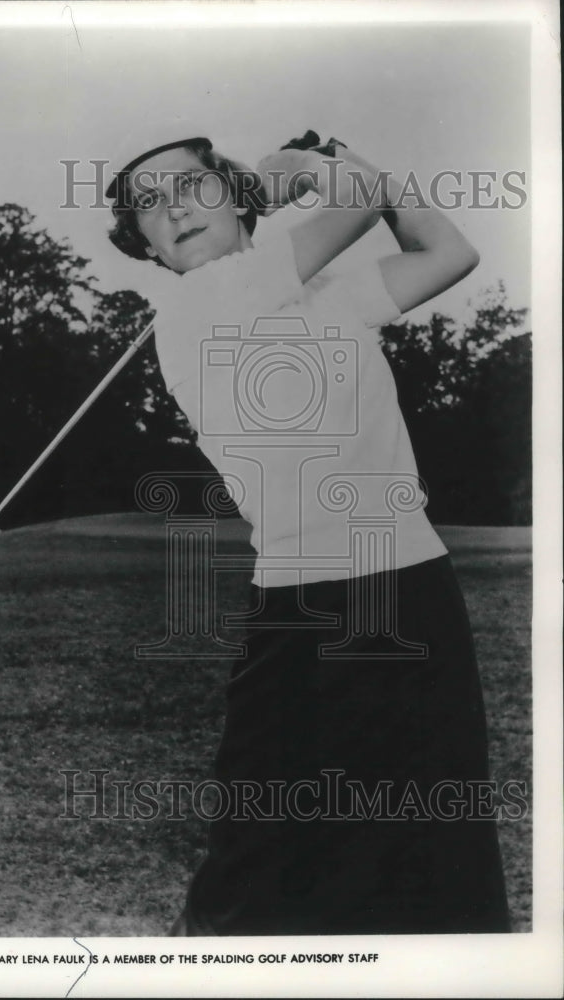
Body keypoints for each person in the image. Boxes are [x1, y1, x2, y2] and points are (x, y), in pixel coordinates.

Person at [105, 125, 511, 935]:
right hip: (303, 607)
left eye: (191, 185)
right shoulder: (195, 304)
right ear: (145, 247)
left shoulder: (320, 294)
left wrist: (344, 170)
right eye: (149, 207)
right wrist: (323, 170)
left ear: (233, 197)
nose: (174, 210)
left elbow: (448, 250)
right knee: (260, 861)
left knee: (430, 839)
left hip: (411, 585)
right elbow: (356, 200)